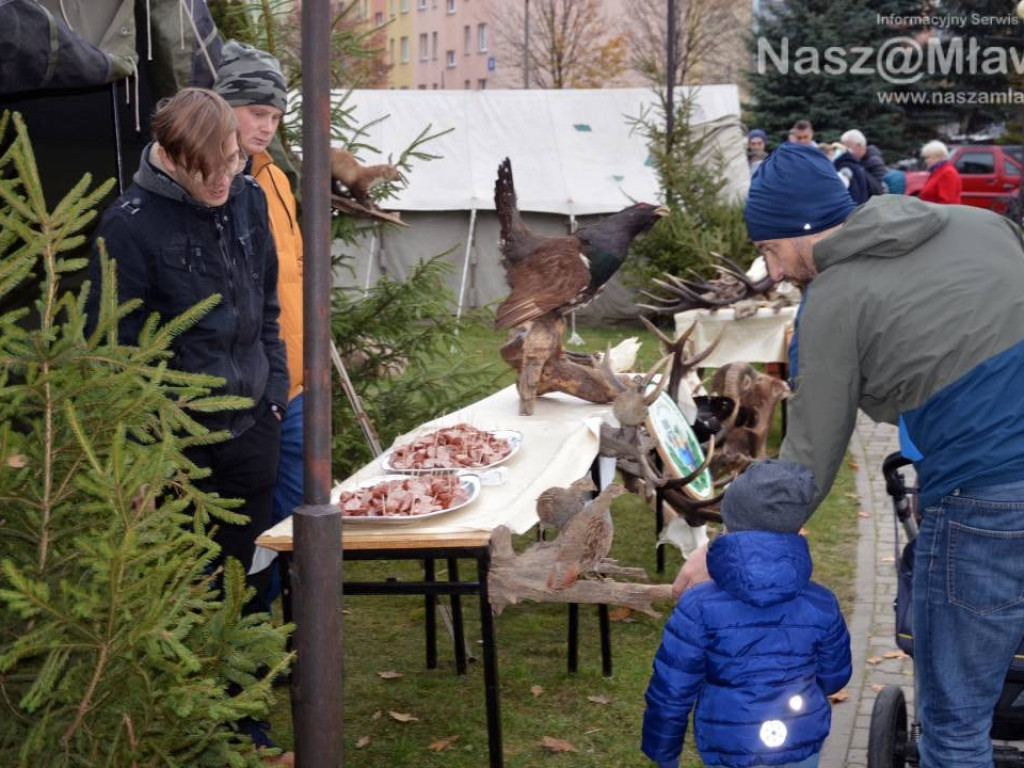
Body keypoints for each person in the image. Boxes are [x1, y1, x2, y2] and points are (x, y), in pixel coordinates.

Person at [722, 140, 1024, 768]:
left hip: (990, 504)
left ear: (802, 231)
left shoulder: (832, 301)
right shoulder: (985, 224)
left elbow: (804, 470)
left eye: (769, 251)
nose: (773, 272)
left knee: (956, 730)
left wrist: (732, 541)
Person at [87, 87, 288, 611]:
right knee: (184, 591)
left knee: (247, 580)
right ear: (172, 158)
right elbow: (113, 354)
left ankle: (245, 684)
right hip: (174, 451)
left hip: (253, 428)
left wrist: (275, 399)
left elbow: (268, 308)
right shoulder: (127, 227)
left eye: (233, 159)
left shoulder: (250, 198)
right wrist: (142, 459)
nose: (225, 178)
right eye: (209, 170)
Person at [642, 460, 851, 768]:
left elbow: (672, 689)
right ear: (796, 527)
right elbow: (834, 677)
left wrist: (664, 752)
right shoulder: (821, 602)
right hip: (800, 739)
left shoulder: (698, 606)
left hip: (727, 743)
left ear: (730, 523)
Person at [213, 41, 304, 605]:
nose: (267, 126)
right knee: (246, 530)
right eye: (257, 113)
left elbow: (292, 279)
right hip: (249, 389)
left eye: (275, 116)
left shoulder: (275, 179)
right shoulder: (212, 181)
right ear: (223, 107)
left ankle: (291, 635)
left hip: (295, 384)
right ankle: (246, 639)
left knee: (292, 521)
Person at [840, 129, 886, 195]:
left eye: (848, 147)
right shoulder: (854, 161)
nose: (846, 151)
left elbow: (879, 189)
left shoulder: (874, 161)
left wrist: (858, 170)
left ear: (859, 146)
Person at [918, 139, 962, 205]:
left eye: (928, 157)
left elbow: (947, 201)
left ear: (938, 156)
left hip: (941, 214)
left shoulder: (947, 173)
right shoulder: (938, 171)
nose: (926, 161)